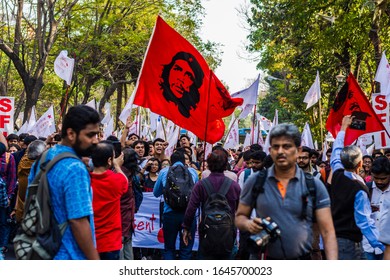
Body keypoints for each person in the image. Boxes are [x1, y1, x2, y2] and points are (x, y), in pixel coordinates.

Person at [235, 123, 338, 260]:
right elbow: (240, 217)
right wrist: (249, 224)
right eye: (276, 147)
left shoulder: (313, 185)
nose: (281, 151)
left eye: (287, 146)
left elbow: (327, 231)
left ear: (298, 150)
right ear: (270, 150)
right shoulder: (255, 181)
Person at [28, 105, 100, 260]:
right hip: (69, 255)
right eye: (91, 135)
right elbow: (78, 221)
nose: (96, 140)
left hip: (40, 251)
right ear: (71, 133)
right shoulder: (75, 168)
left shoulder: (43, 158)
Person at [329, 115, 384, 260]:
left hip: (334, 239)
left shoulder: (337, 174)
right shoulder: (359, 189)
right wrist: (382, 244)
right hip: (350, 243)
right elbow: (364, 221)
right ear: (360, 164)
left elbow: (336, 152)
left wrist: (343, 128)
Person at [182, 150, 241, 259]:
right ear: (225, 165)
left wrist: (186, 228)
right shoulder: (234, 186)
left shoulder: (200, 185)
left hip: (207, 232)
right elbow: (241, 212)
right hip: (228, 232)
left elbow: (191, 209)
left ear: (208, 164)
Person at [153, 150, 198, 260]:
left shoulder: (164, 172)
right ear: (184, 161)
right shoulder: (193, 172)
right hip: (188, 215)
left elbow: (155, 193)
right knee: (186, 249)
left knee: (169, 248)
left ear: (170, 162)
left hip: (170, 214)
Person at [90, 142, 128, 260]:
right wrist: (117, 166)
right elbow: (125, 182)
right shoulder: (116, 179)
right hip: (111, 241)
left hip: (89, 241)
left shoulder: (84, 179)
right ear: (109, 161)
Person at [160, 51, 204, 118]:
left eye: (189, 76)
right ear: (169, 69)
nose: (181, 79)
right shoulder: (155, 94)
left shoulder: (188, 112)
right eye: (178, 69)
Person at [12, 140, 46, 223]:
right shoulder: (41, 170)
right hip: (36, 216)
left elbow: (27, 156)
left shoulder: (22, 166)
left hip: (21, 213)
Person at [363, 156, 390, 260]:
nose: (379, 181)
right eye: (376, 178)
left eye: (383, 178)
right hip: (367, 246)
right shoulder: (365, 190)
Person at [119, 148, 138, 260]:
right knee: (127, 244)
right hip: (128, 216)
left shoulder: (120, 174)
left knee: (121, 244)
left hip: (121, 216)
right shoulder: (130, 174)